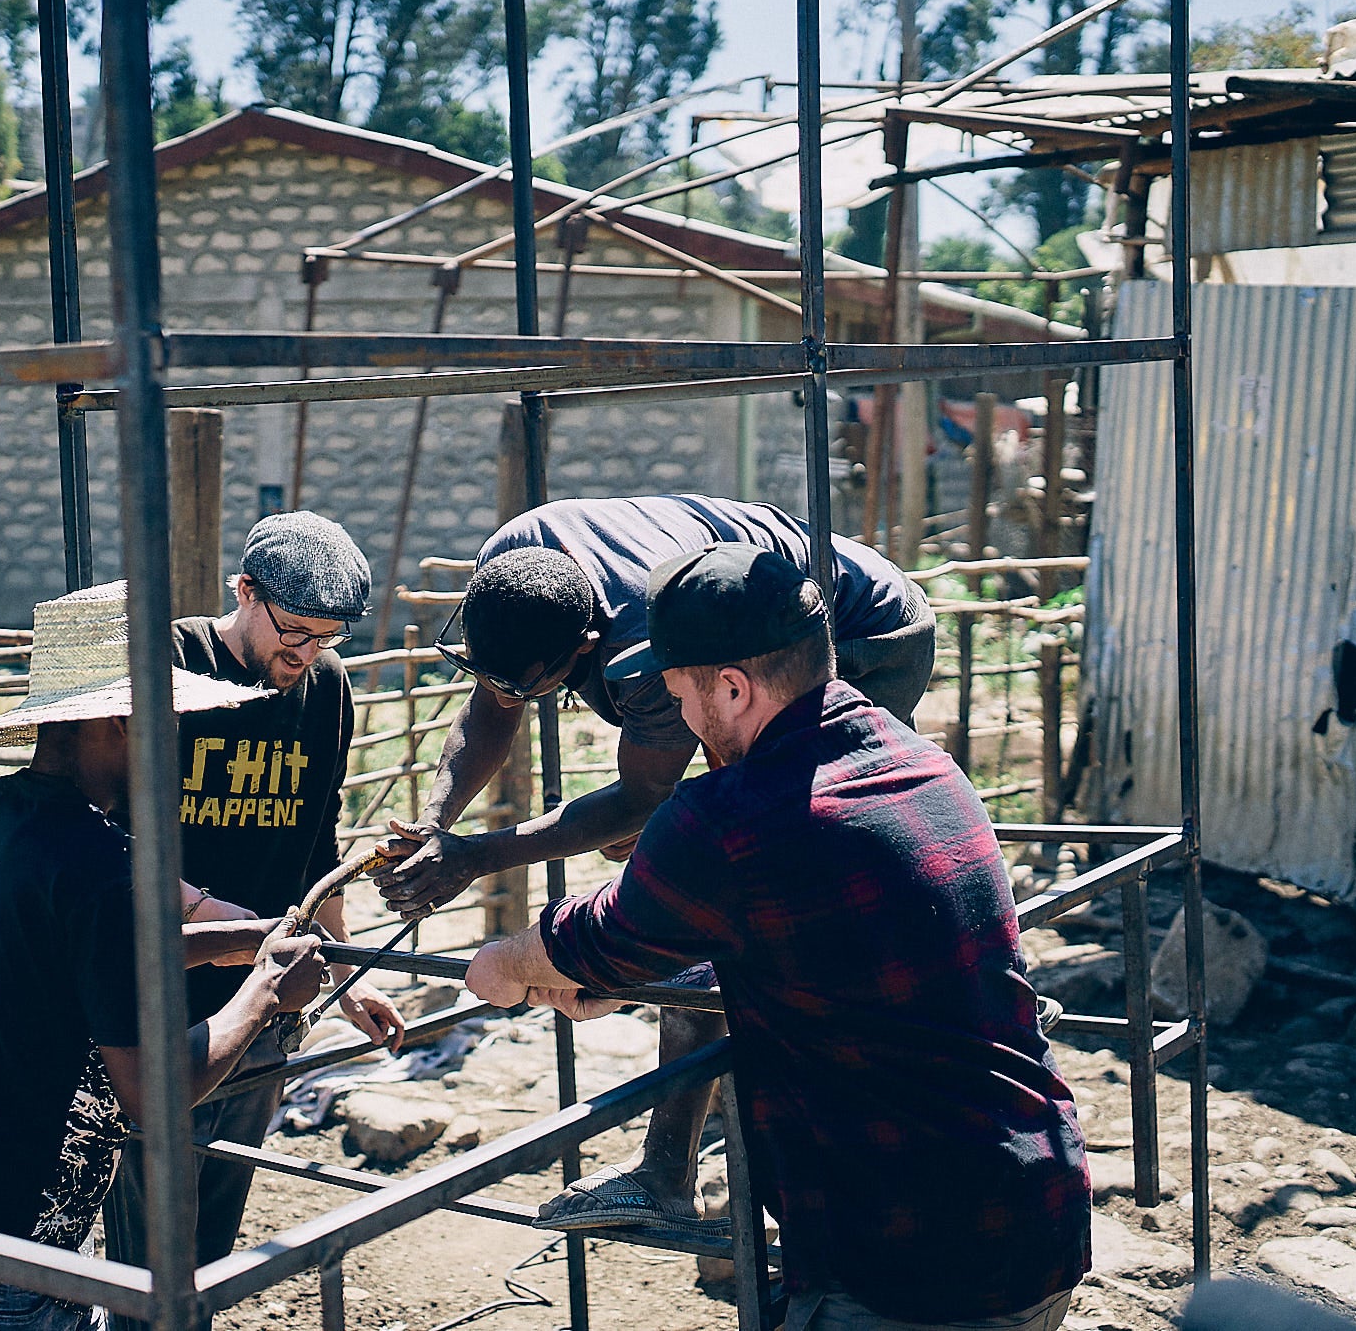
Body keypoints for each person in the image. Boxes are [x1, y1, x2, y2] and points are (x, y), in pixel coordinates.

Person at [465, 545, 1090, 1330]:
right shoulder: (923, 766)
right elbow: (814, 953)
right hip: (1041, 1210)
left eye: (681, 696)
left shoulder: (729, 816)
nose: (684, 722)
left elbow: (599, 934)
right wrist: (635, 978)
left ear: (731, 687)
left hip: (907, 1257)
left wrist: (505, 962)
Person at [373, 494, 934, 1233]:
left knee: (757, 894)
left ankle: (719, 1162)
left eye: (526, 685)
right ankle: (687, 1166)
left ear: (585, 647)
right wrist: (434, 826)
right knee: (719, 888)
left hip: (863, 628)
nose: (505, 694)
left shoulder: (648, 651)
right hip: (749, 631)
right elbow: (494, 706)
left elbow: (641, 798)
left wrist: (478, 857)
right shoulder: (517, 576)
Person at [0, 581, 328, 1331]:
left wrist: (245, 941)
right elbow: (152, 1092)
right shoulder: (99, 863)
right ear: (121, 720)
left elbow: (74, 957)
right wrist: (266, 992)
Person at [101, 511, 401, 1323]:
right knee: (146, 1238)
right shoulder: (167, 663)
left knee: (215, 1229)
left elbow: (318, 842)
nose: (303, 654)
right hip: (158, 994)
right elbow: (105, 840)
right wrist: (223, 923)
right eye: (292, 630)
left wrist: (342, 976)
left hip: (267, 999)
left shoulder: (325, 690)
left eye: (326, 638)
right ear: (244, 592)